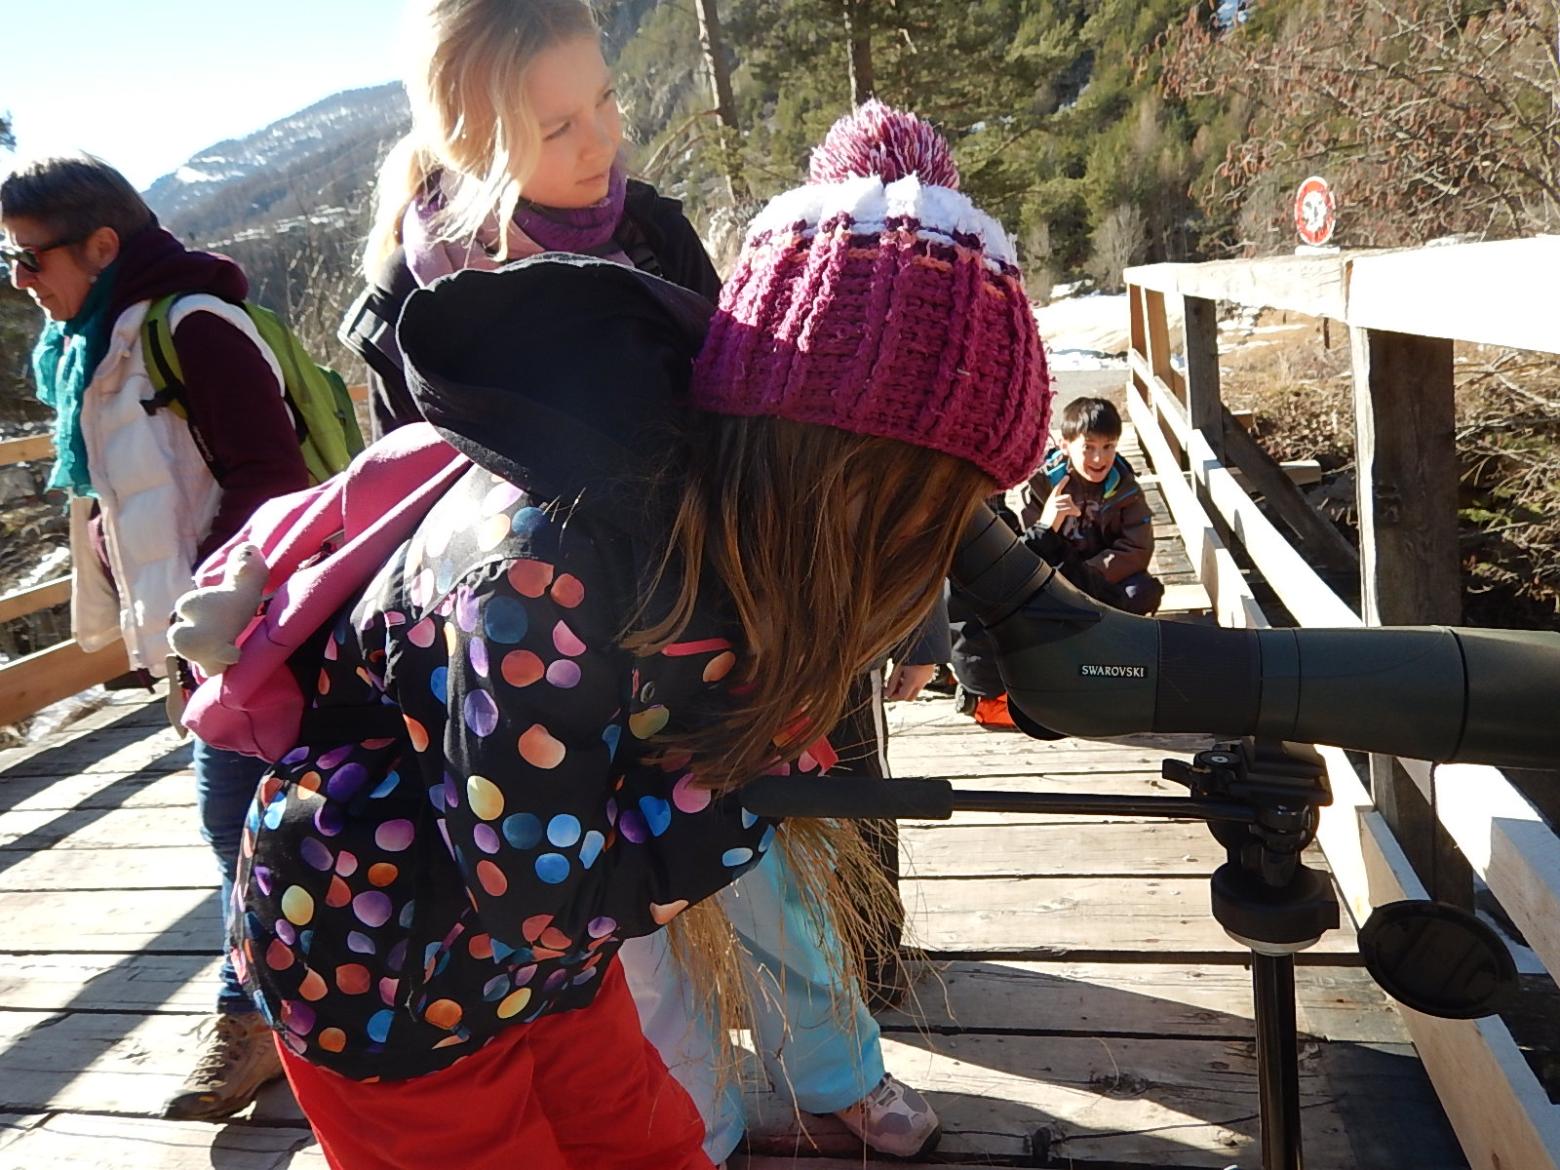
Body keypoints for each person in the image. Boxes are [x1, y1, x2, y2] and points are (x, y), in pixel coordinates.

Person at [230, 100, 1048, 1170]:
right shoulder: (545, 570)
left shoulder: (721, 530)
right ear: (842, 480)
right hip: (380, 973)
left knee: (651, 1147)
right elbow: (550, 899)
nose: (930, 555)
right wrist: (760, 774)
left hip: (540, 974)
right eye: (935, 515)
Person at [337, 4, 942, 1155]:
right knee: (631, 928)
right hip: (548, 663)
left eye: (605, 99)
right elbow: (419, 488)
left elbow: (745, 406)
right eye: (558, 122)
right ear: (470, 138)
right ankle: (694, 1122)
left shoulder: (651, 230)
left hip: (704, 621)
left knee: (768, 873)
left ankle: (838, 1073)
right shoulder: (410, 289)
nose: (600, 138)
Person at [0, 156, 309, 1117]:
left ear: (102, 246)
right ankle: (294, 1018)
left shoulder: (191, 329)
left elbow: (271, 480)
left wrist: (204, 605)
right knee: (259, 827)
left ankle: (253, 1022)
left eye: (30, 257)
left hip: (252, 629)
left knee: (239, 827)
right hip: (201, 638)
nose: (20, 280)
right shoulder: (101, 346)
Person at [1021, 397, 1163, 616]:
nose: (1099, 458)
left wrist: (1087, 575)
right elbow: (1031, 546)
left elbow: (1137, 547)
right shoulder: (1043, 484)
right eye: (1088, 447)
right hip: (1058, 577)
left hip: (1102, 577)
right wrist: (1047, 524)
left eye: (1108, 446)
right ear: (1065, 446)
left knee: (1141, 592)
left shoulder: (1126, 487)